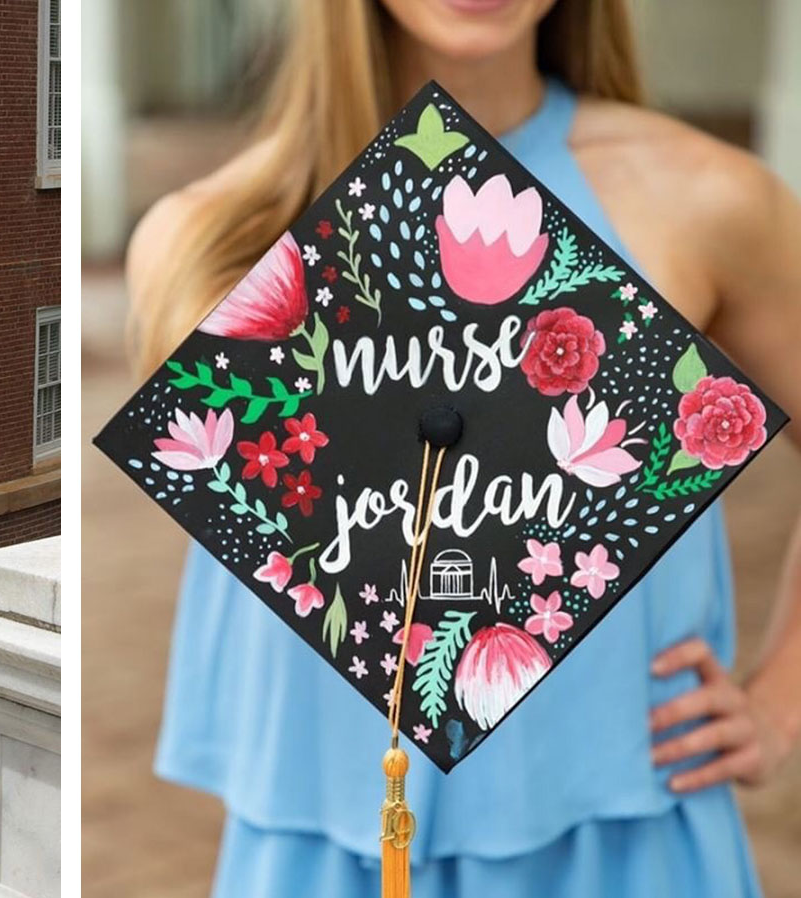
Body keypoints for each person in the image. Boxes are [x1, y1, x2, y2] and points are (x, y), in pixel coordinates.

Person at [125, 0, 801, 894]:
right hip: (324, 848)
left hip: (622, 838)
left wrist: (780, 701)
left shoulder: (705, 200)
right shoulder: (206, 242)